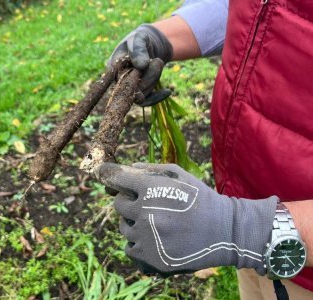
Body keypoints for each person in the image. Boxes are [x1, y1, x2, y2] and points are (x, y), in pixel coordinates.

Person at [96, 0, 313, 299]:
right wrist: (165, 36)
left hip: (290, 244)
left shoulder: (244, 229)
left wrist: (244, 228)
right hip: (250, 216)